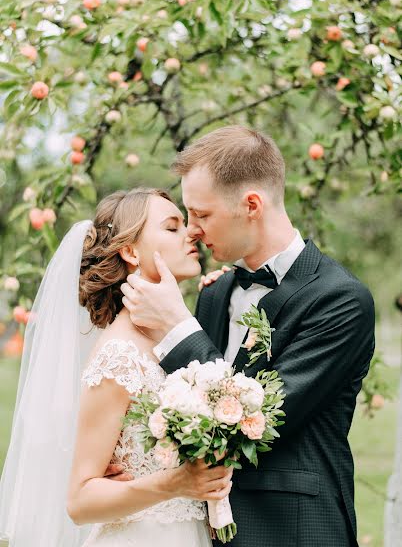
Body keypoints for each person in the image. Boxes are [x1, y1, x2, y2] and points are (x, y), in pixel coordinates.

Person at [121, 125, 376, 547]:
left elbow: (259, 421)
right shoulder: (215, 292)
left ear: (251, 205)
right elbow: (189, 414)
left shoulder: (341, 300)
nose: (191, 231)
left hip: (293, 531)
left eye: (201, 215)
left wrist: (177, 327)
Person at [0, 187, 232, 547]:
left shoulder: (178, 338)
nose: (191, 234)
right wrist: (176, 483)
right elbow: (80, 501)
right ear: (130, 251)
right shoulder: (119, 355)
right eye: (172, 227)